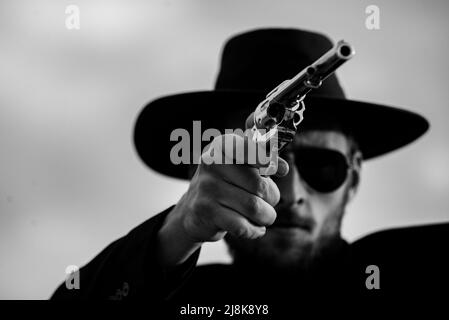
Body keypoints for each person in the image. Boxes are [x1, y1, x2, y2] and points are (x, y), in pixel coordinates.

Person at [51, 28, 447, 312]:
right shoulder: (191, 304)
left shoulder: (407, 268)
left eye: (323, 166)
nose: (290, 196)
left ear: (355, 176)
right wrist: (176, 231)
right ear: (203, 170)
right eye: (262, 164)